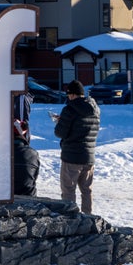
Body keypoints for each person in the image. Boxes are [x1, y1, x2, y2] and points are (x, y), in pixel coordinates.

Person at [53, 79, 100, 213]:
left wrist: (60, 122)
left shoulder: (70, 109)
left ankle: (70, 219)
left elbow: (60, 133)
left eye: (68, 95)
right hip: (89, 156)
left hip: (72, 156)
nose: (68, 98)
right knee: (86, 190)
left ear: (72, 95)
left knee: (68, 190)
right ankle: (88, 217)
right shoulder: (95, 109)